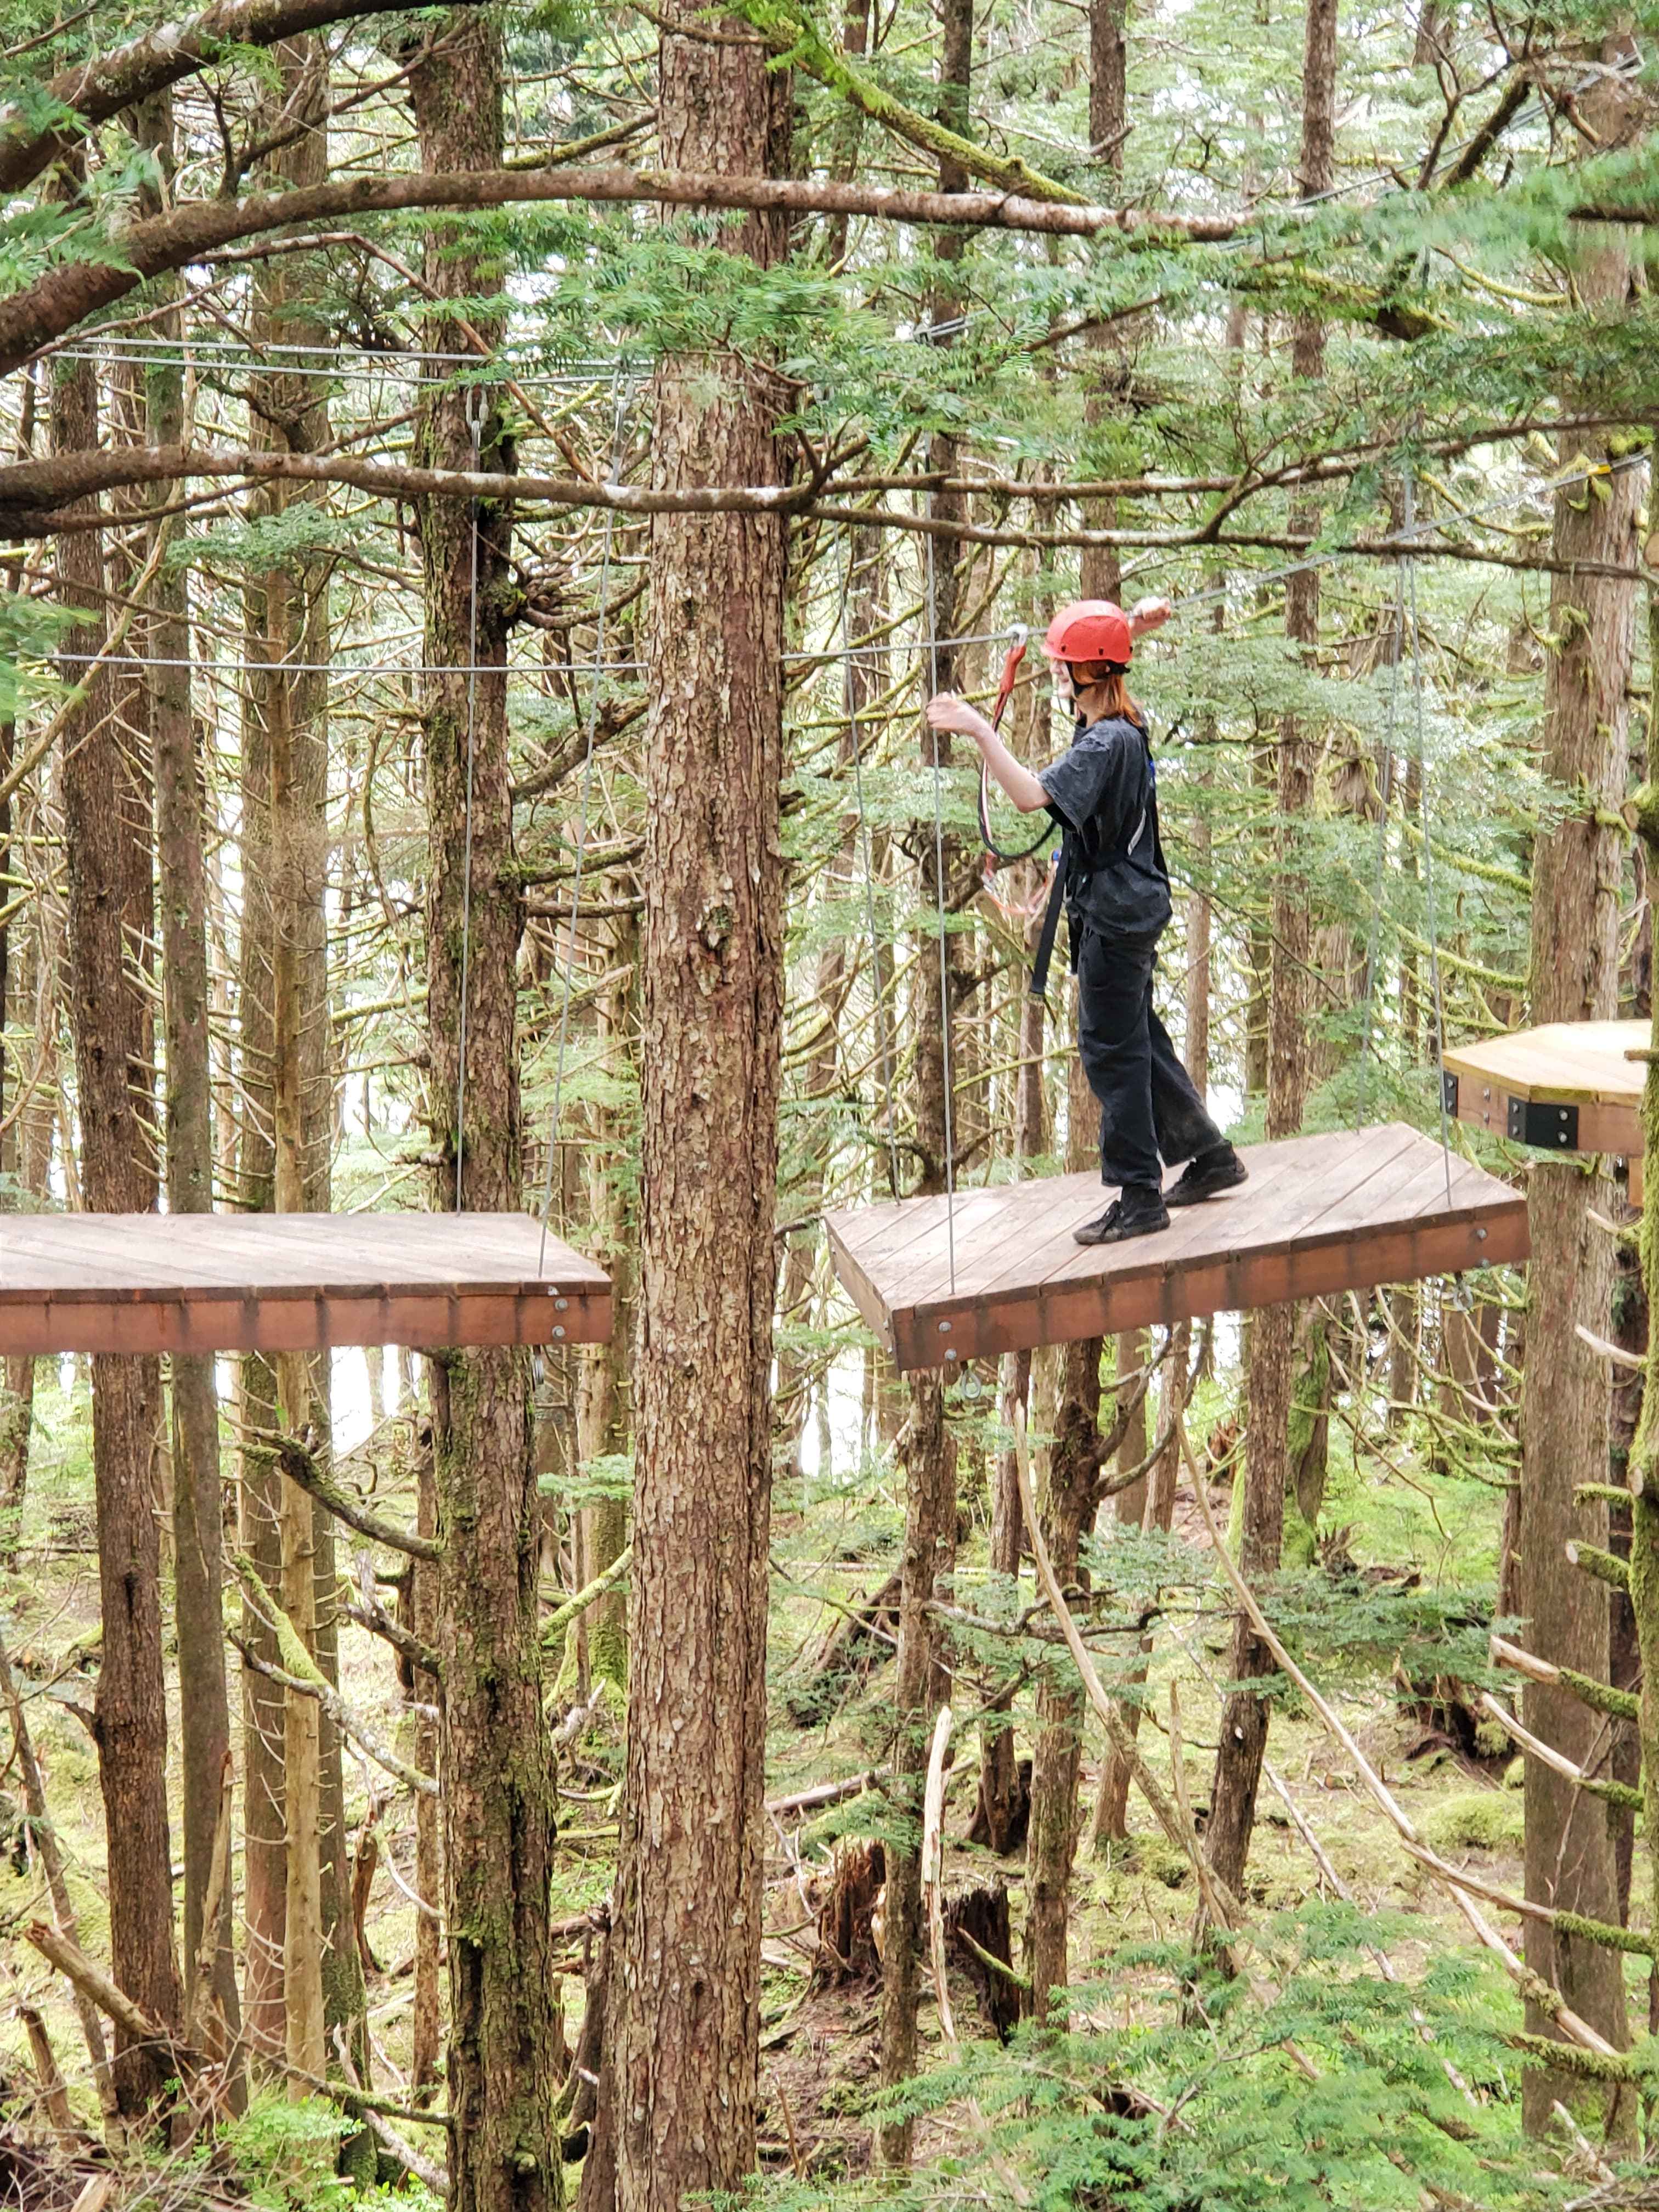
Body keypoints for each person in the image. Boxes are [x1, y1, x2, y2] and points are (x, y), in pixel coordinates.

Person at [926, 595, 1246, 1245]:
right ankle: (1210, 1157)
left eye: (1061, 667)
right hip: (1131, 904)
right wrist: (1130, 627)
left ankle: (1138, 1197)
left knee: (1112, 1052)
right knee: (1140, 1039)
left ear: (1089, 676)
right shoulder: (1122, 719)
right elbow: (1103, 658)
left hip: (1116, 916)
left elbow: (1027, 797)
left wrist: (978, 730)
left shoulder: (1104, 742)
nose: (1053, 675)